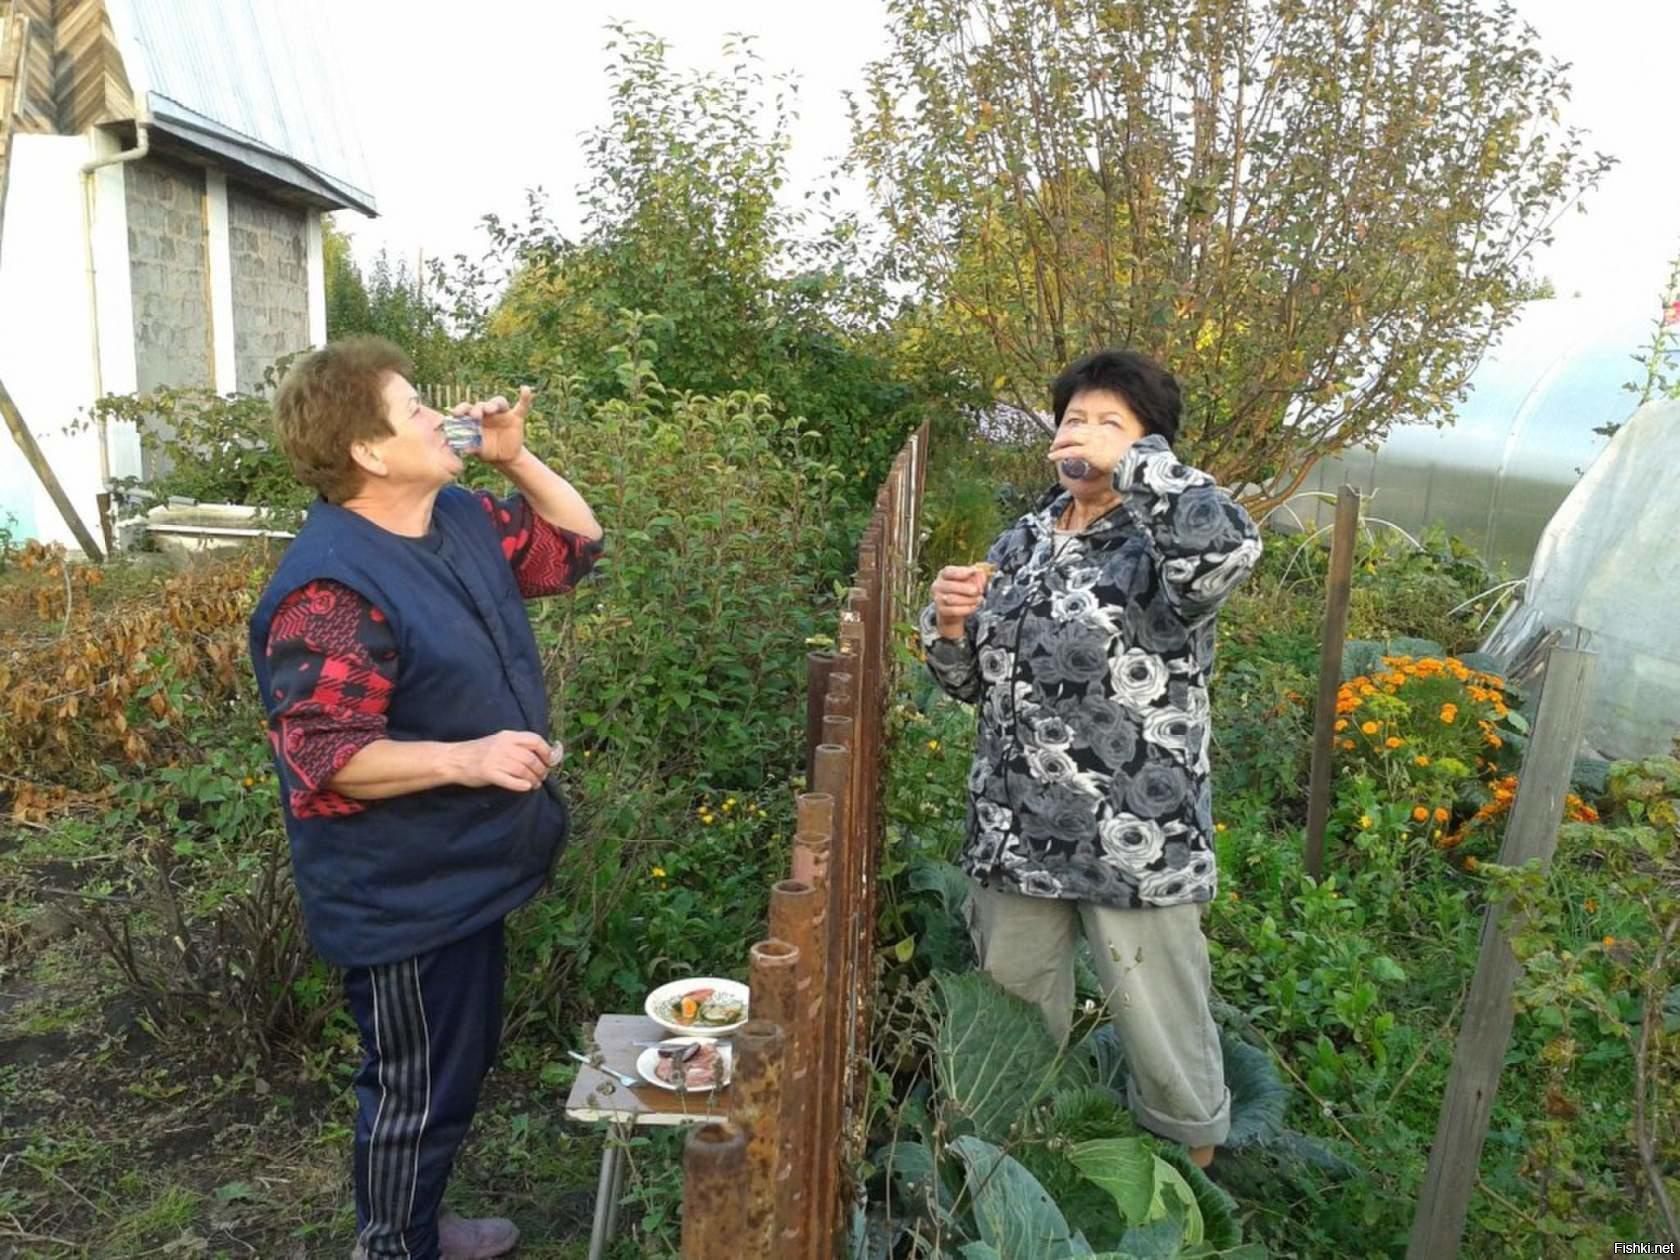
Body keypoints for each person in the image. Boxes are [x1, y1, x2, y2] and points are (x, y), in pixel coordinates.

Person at [248, 337, 603, 1260]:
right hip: (400, 890)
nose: (442, 418)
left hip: (463, 866)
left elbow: (574, 549)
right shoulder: (329, 588)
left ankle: (417, 1224)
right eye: (415, 408)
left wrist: (515, 456)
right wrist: (467, 757)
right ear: (368, 450)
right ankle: (393, 1246)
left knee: (452, 1064)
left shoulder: (456, 516)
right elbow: (324, 755)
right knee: (415, 1086)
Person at [922, 348, 1260, 1169]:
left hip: (1133, 836)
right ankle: (1010, 1174)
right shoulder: (1024, 539)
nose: (1086, 433)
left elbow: (1228, 548)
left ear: (1152, 445)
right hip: (1017, 837)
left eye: (1113, 422)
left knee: (1164, 1033)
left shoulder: (1163, 543)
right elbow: (970, 684)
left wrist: (1136, 466)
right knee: (1009, 1031)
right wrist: (950, 623)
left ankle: (1189, 1185)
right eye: (1076, 418)